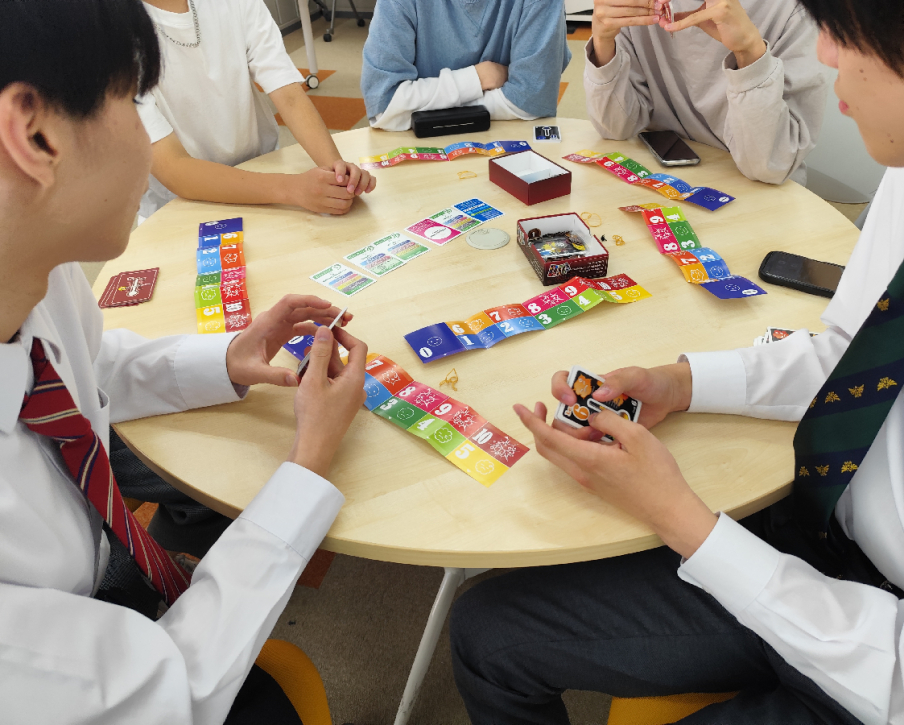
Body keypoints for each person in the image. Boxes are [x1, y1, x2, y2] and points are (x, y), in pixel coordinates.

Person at [450, 0, 904, 722]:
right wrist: (679, 382)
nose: (825, 54)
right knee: (486, 632)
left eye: (852, 31)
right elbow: (857, 359)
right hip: (825, 534)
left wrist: (679, 516)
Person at [0, 2, 367, 722]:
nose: (150, 146)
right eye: (133, 102)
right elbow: (172, 694)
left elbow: (83, 370)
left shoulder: (35, 267)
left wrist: (229, 356)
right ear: (35, 135)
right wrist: (306, 468)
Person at [138, 0, 376, 219]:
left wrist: (337, 175)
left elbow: (288, 94)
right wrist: (292, 189)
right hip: (180, 207)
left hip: (261, 172)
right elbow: (174, 167)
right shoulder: (120, 30)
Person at [585, 0, 829, 185]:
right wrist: (603, 40)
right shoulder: (638, 5)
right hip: (661, 174)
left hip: (760, 190)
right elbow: (616, 128)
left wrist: (748, 51)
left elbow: (771, 165)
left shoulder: (794, 10)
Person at [361, 0, 572, 131]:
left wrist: (414, 106)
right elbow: (384, 106)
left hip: (510, 145)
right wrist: (476, 79)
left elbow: (530, 103)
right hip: (418, 149)